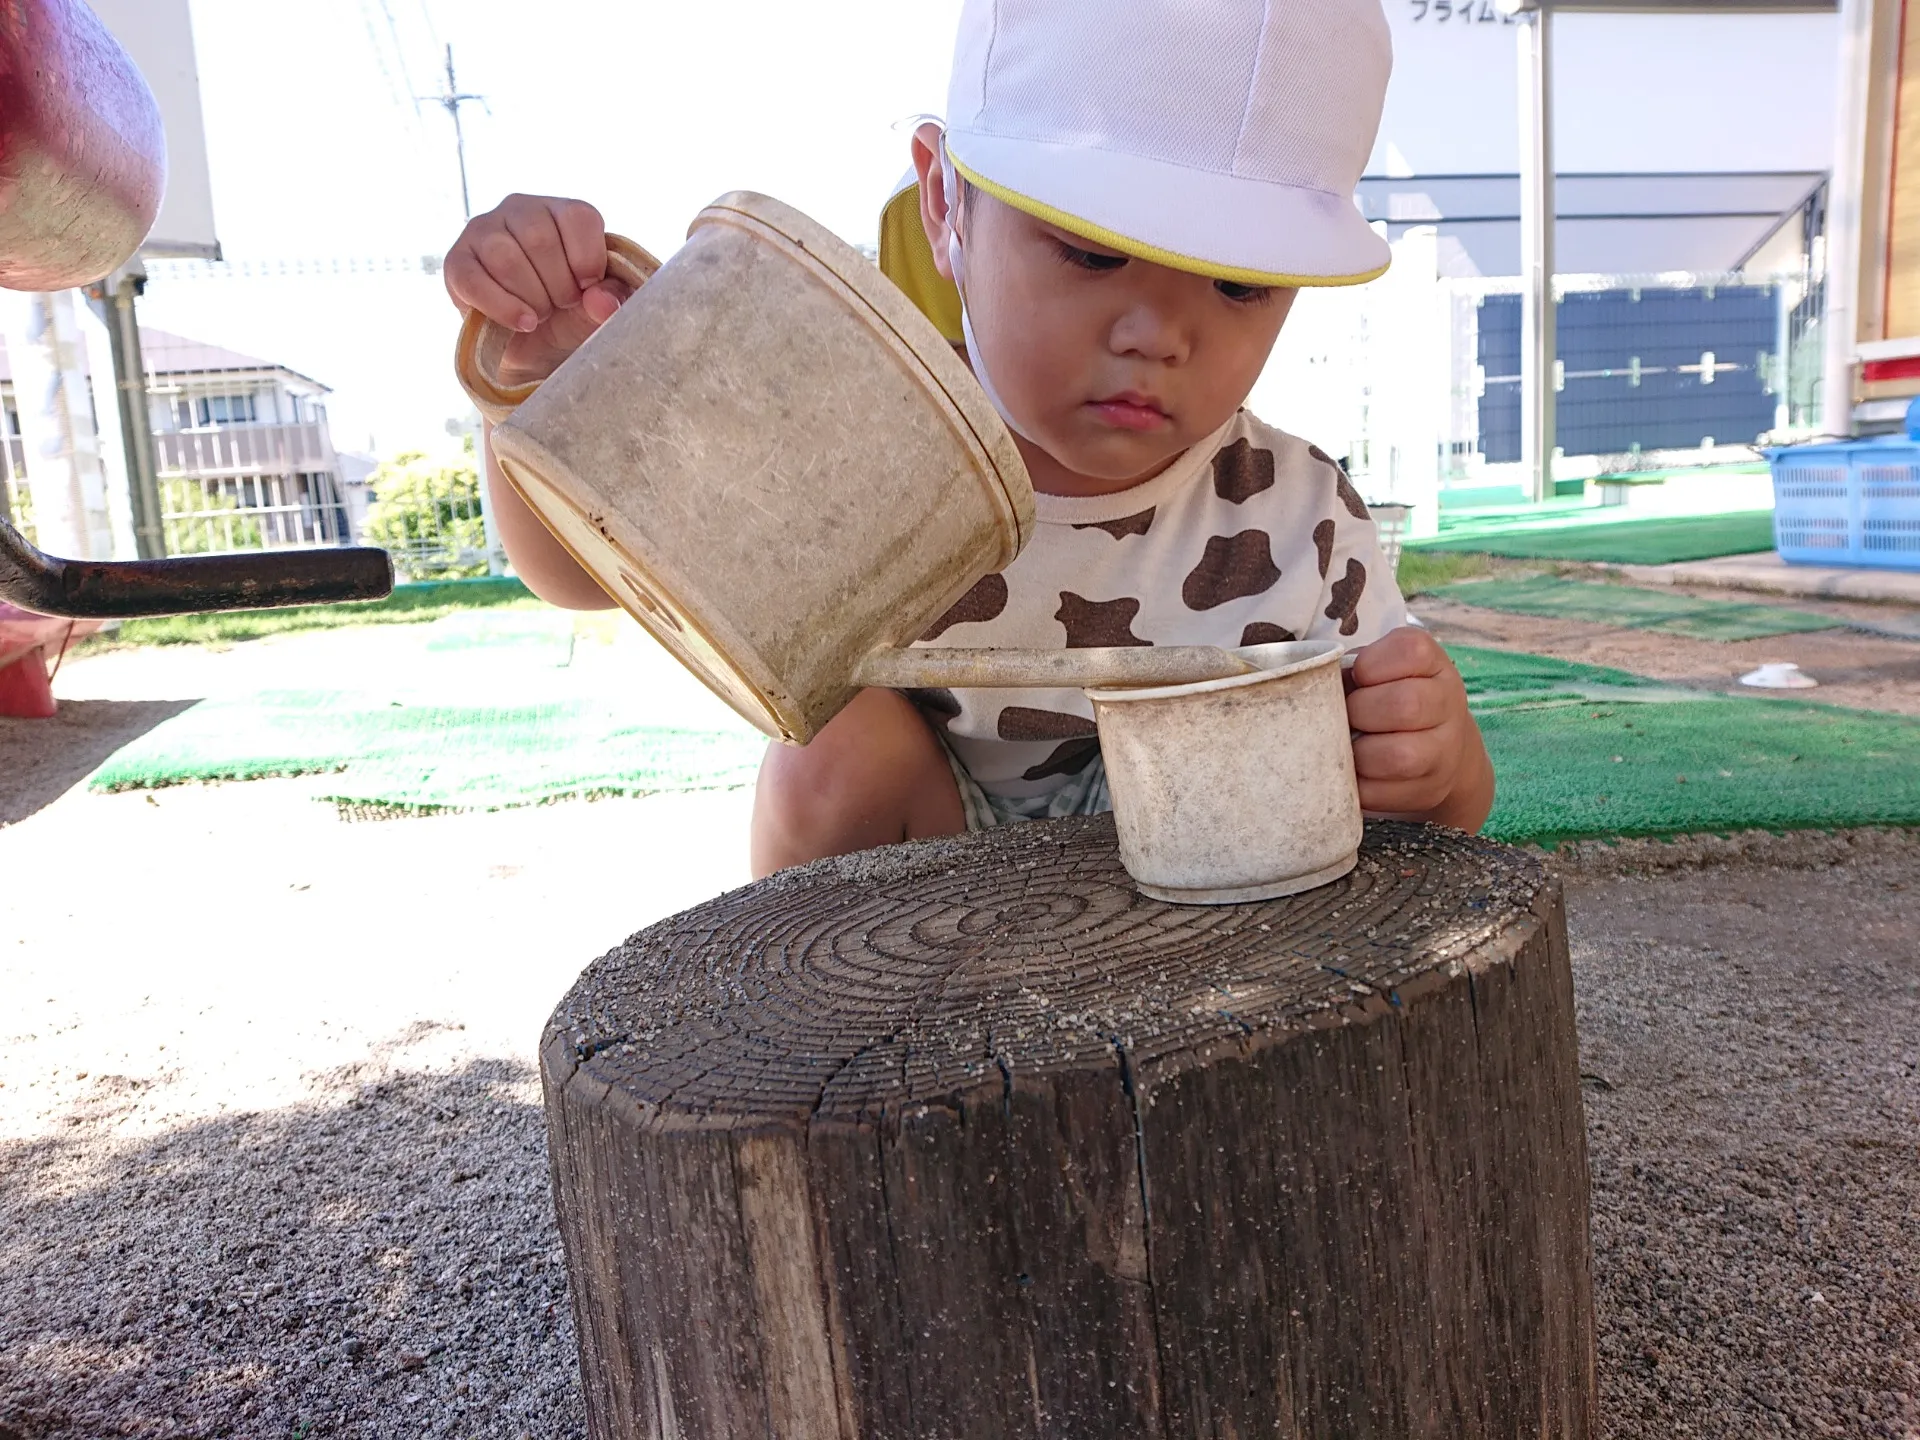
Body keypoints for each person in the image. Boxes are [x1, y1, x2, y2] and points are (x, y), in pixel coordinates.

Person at [442, 0, 1495, 878]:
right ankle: (842, 1058)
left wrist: (1432, 764)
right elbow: (585, 577)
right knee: (828, 748)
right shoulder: (864, 438)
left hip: (1202, 887)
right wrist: (542, 368)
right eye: (1091, 253)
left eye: (1239, 284)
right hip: (927, 866)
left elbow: (1445, 805)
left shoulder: (1301, 513)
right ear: (946, 202)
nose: (1158, 334)